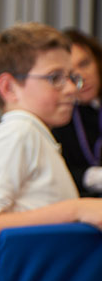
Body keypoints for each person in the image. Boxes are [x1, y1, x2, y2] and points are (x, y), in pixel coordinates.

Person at [0, 22, 102, 281]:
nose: (72, 88)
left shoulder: (35, 135)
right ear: (9, 88)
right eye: (55, 78)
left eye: (72, 77)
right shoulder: (16, 133)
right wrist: (77, 209)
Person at [51, 28, 102, 197]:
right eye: (71, 73)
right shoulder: (57, 117)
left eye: (85, 63)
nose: (81, 77)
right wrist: (90, 177)